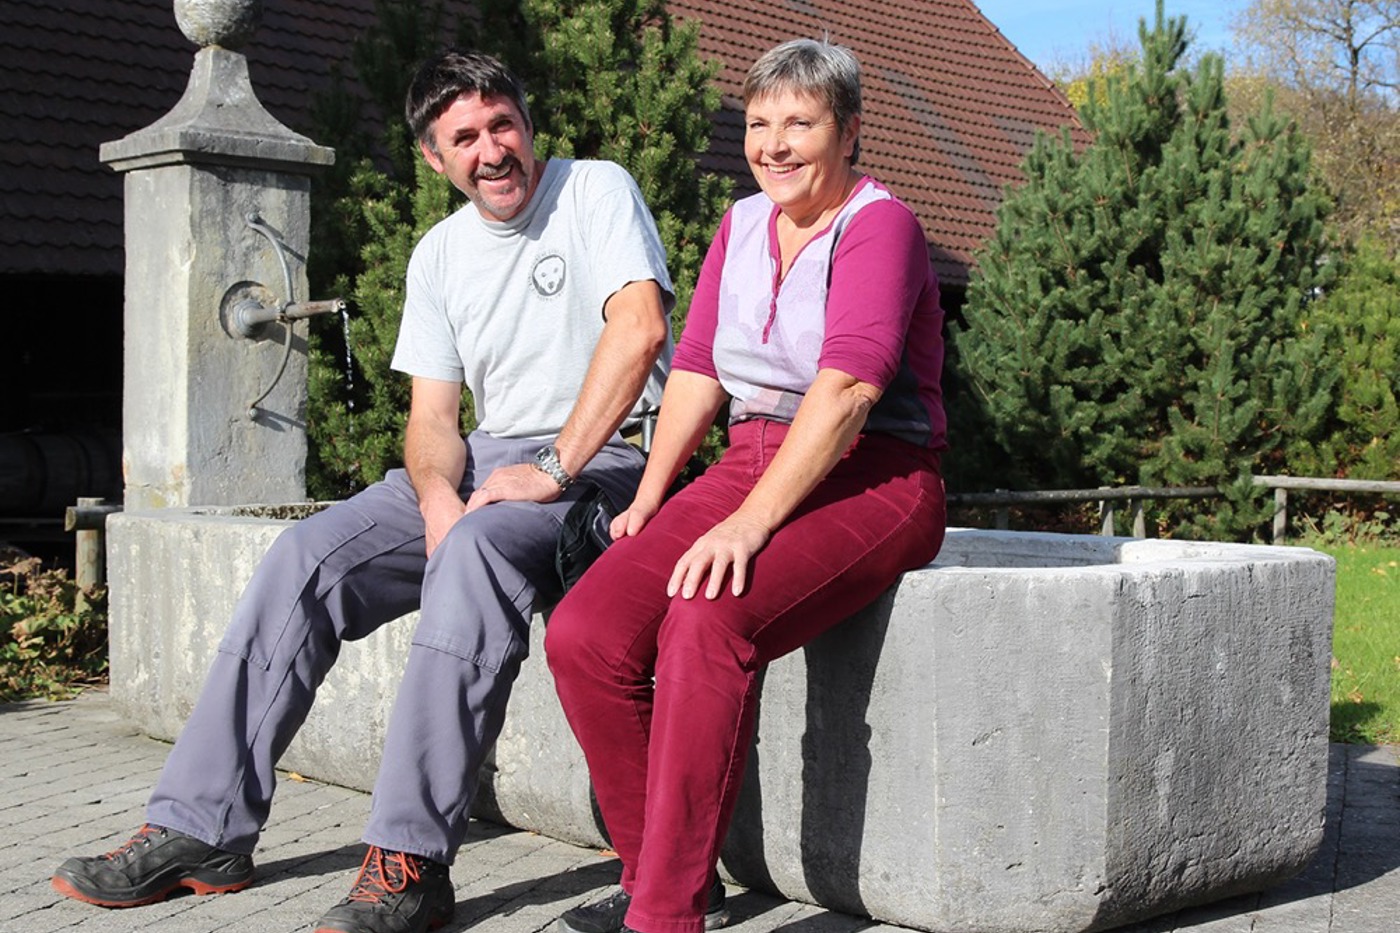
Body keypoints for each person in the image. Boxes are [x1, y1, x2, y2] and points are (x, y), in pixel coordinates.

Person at [50, 48, 675, 933]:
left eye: (503, 125)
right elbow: (431, 421)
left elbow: (641, 327)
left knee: (480, 552)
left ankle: (411, 863)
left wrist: (558, 466)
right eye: (465, 137)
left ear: (529, 126)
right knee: (305, 554)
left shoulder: (594, 191)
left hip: (606, 458)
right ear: (434, 157)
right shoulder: (439, 254)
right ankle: (203, 825)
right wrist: (434, 497)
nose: (491, 150)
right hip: (488, 461)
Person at [546, 38, 948, 933]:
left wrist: (750, 527)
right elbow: (696, 368)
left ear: (847, 132)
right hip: (744, 461)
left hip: (875, 470)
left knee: (708, 617)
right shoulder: (740, 224)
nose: (773, 144)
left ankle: (663, 915)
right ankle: (657, 870)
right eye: (760, 124)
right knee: (586, 633)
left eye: (799, 123)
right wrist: (651, 498)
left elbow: (847, 390)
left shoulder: (881, 225)